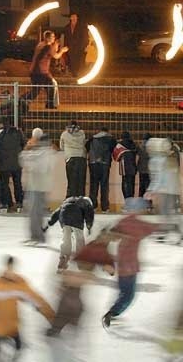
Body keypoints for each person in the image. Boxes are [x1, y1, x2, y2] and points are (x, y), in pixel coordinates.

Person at [102, 197, 158, 328]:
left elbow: (109, 234)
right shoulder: (137, 224)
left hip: (121, 264)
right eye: (143, 209)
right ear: (138, 209)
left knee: (123, 292)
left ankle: (114, 312)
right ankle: (112, 313)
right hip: (130, 266)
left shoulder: (123, 222)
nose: (145, 211)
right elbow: (153, 228)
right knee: (128, 295)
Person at [19, 133, 55, 244]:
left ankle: (38, 236)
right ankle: (35, 236)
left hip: (39, 188)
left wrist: (30, 161)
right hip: (34, 186)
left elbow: (40, 168)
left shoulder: (47, 154)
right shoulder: (39, 153)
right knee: (32, 213)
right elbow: (22, 158)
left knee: (36, 213)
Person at [48, 196, 94, 271]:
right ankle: (81, 261)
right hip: (76, 218)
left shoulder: (68, 200)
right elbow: (89, 216)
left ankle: (63, 259)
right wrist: (89, 226)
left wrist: (50, 223)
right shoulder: (87, 204)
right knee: (79, 240)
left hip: (64, 217)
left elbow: (57, 213)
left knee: (66, 240)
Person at [0, 115, 25, 213]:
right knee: (17, 184)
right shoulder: (18, 132)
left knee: (4, 185)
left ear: (0, 123)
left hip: (3, 163)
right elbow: (23, 144)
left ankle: (4, 205)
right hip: (16, 163)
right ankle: (19, 204)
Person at [28, 31, 68, 109]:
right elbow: (56, 56)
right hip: (41, 72)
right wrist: (62, 51)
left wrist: (55, 46)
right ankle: (50, 104)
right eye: (52, 37)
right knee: (44, 88)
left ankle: (50, 104)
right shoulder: (48, 47)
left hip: (35, 71)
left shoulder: (41, 44)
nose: (54, 38)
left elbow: (50, 53)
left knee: (45, 88)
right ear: (47, 38)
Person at [85, 126, 117, 213]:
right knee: (104, 185)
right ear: (107, 131)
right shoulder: (111, 139)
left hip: (93, 163)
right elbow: (114, 149)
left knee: (93, 185)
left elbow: (87, 148)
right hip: (105, 163)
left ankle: (93, 206)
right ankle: (105, 208)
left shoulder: (92, 138)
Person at [60, 120, 87, 197]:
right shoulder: (82, 133)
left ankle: (71, 200)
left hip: (70, 158)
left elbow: (61, 147)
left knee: (71, 182)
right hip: (81, 158)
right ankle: (81, 200)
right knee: (81, 182)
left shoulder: (64, 134)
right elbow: (84, 143)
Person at [113, 131, 137, 200]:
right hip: (132, 167)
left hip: (124, 168)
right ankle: (131, 199)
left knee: (125, 184)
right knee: (132, 184)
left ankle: (126, 199)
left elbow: (115, 156)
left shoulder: (119, 144)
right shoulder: (133, 144)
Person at [64, 13, 89, 77]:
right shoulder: (67, 27)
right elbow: (66, 38)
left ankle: (79, 73)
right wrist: (65, 46)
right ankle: (74, 73)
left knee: (79, 60)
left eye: (75, 17)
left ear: (77, 18)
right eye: (72, 17)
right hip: (70, 47)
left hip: (79, 47)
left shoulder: (81, 26)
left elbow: (85, 37)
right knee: (72, 60)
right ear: (70, 18)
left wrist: (85, 46)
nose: (74, 18)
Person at [137, 133, 152, 198]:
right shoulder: (151, 146)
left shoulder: (140, 146)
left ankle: (140, 202)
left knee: (141, 186)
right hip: (149, 169)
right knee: (148, 187)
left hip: (141, 169)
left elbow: (138, 153)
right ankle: (148, 204)